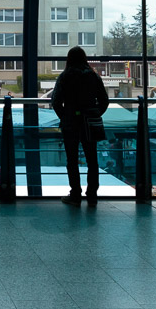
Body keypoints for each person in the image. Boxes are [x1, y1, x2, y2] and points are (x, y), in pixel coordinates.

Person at [51, 47, 110, 206]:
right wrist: (94, 114)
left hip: (70, 123)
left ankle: (75, 194)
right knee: (92, 160)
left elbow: (55, 101)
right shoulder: (93, 76)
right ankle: (92, 195)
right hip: (90, 123)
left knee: (72, 160)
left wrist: (65, 116)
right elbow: (104, 100)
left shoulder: (65, 76)